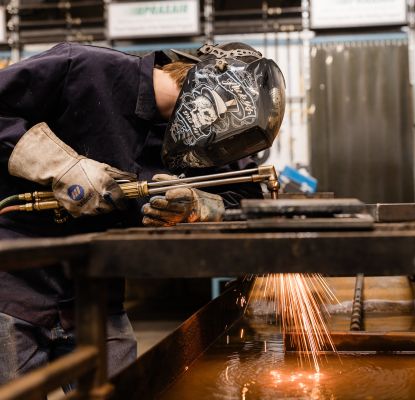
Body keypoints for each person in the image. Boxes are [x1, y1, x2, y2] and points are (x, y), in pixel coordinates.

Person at [0, 42, 285, 386]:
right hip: (14, 291)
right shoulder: (85, 69)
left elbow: (246, 197)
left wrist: (201, 206)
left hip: (95, 296)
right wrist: (60, 165)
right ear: (216, 96)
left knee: (123, 390)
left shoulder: (200, 141)